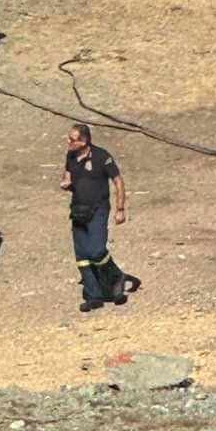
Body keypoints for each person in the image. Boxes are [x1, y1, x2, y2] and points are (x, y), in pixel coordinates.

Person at [60, 122, 138, 314]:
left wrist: (120, 208)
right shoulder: (70, 156)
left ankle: (116, 277)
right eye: (69, 137)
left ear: (84, 141)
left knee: (96, 251)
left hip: (98, 210)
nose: (68, 141)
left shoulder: (103, 157)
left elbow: (118, 181)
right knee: (82, 257)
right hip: (78, 211)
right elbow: (68, 177)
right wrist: (66, 184)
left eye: (73, 139)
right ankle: (94, 296)